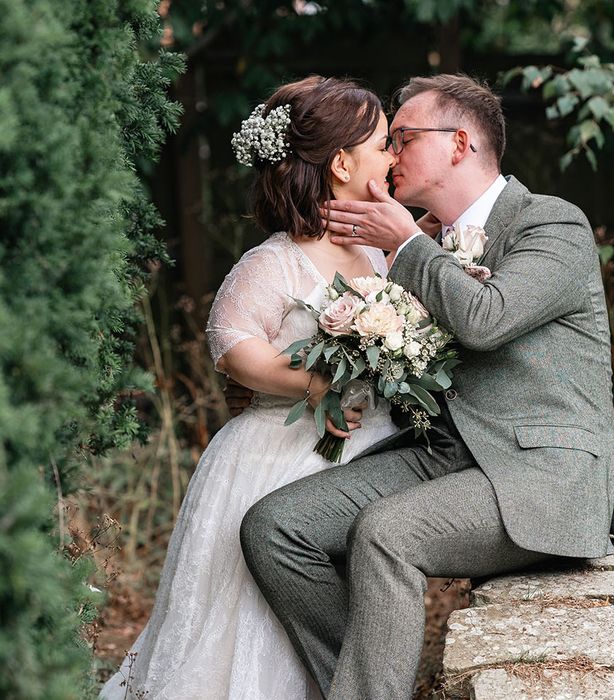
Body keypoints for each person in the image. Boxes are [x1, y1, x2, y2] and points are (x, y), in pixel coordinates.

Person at [239, 73, 614, 700]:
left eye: (405, 137)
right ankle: (377, 687)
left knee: (387, 533)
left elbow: (485, 320)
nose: (390, 153)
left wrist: (409, 244)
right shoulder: (412, 242)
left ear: (460, 145)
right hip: (445, 457)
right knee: (276, 528)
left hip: (542, 474)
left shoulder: (551, 224)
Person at [99, 76, 399, 700]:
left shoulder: (384, 252)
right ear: (342, 164)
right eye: (384, 144)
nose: (394, 156)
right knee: (250, 623)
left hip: (372, 447)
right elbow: (232, 345)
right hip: (277, 458)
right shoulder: (278, 259)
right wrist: (313, 384)